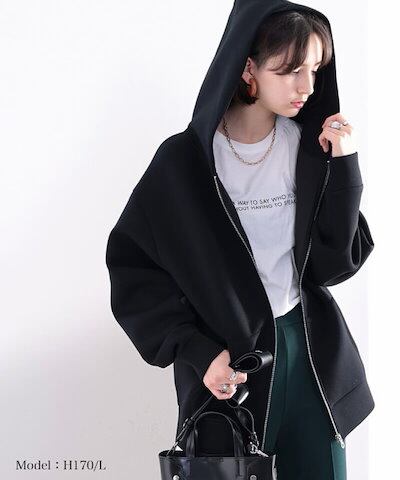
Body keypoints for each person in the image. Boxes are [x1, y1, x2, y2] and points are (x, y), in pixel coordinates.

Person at [105, 2, 375, 479]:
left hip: (311, 355)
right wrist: (196, 351)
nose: (307, 87)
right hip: (230, 371)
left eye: (315, 69)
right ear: (249, 68)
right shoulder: (185, 163)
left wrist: (345, 168)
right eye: (290, 70)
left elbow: (334, 265)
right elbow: (135, 270)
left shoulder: (308, 148)